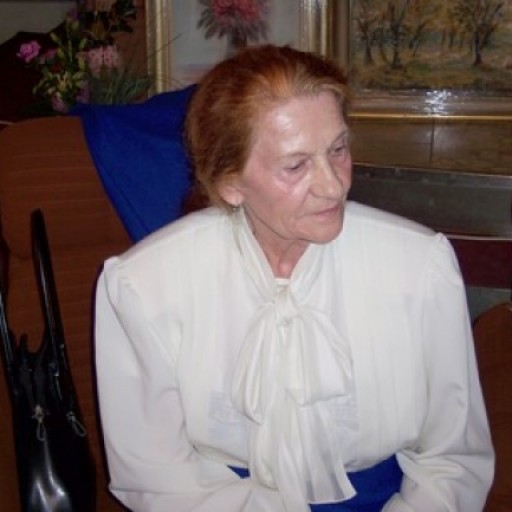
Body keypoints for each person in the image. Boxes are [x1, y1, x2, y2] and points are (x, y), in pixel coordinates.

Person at [94, 45, 494, 512]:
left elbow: (452, 460)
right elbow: (157, 475)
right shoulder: (146, 286)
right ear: (229, 183)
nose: (333, 185)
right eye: (296, 165)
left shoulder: (419, 266)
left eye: (338, 149)